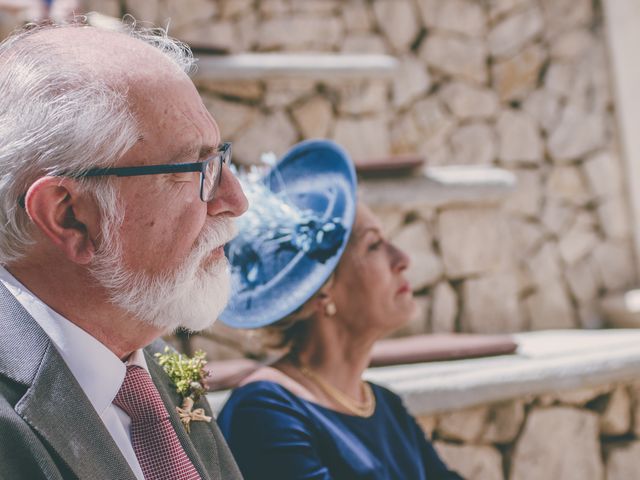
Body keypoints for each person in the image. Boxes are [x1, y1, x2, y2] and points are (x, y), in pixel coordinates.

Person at [0, 20, 247, 480]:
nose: (235, 200)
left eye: (221, 160)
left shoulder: (144, 370)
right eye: (196, 170)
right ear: (68, 215)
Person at [217, 140, 462, 480]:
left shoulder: (383, 404)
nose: (403, 260)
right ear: (321, 290)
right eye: (374, 245)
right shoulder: (265, 410)